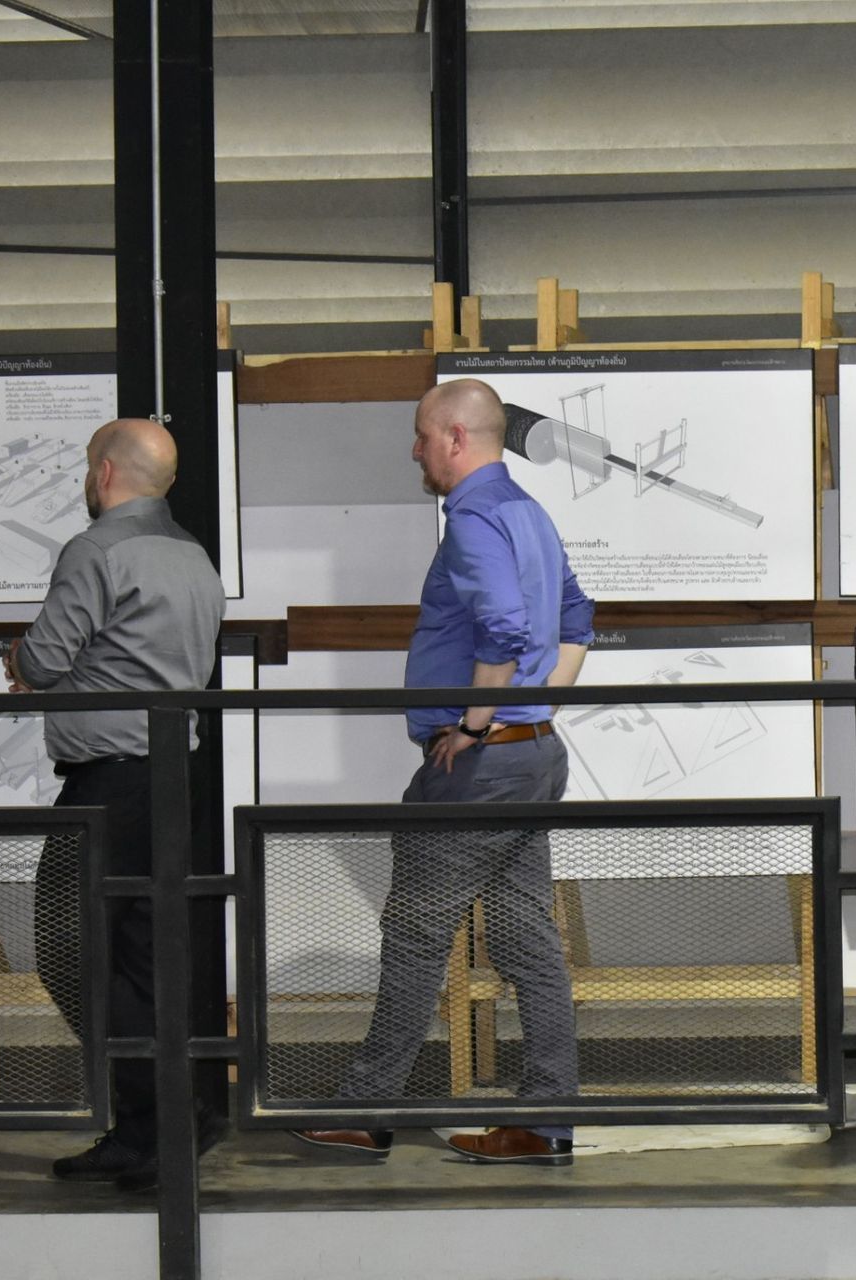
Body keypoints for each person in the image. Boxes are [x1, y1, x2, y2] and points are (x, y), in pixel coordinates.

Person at [294, 378, 593, 1167]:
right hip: (531, 757)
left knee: (416, 935)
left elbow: (502, 626)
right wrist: (534, 710)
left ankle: (367, 1111)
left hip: (483, 766)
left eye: (423, 436)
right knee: (528, 942)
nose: (416, 451)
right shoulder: (528, 512)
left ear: (457, 437)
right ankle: (545, 1122)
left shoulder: (474, 517)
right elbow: (577, 619)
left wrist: (476, 722)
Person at [11, 418, 226, 1192]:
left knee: (67, 949)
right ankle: (154, 1127)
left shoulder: (96, 550)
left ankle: (165, 1116)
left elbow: (43, 660)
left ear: (103, 473)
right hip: (174, 778)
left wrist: (17, 657)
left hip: (108, 785)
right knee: (143, 959)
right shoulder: (193, 555)